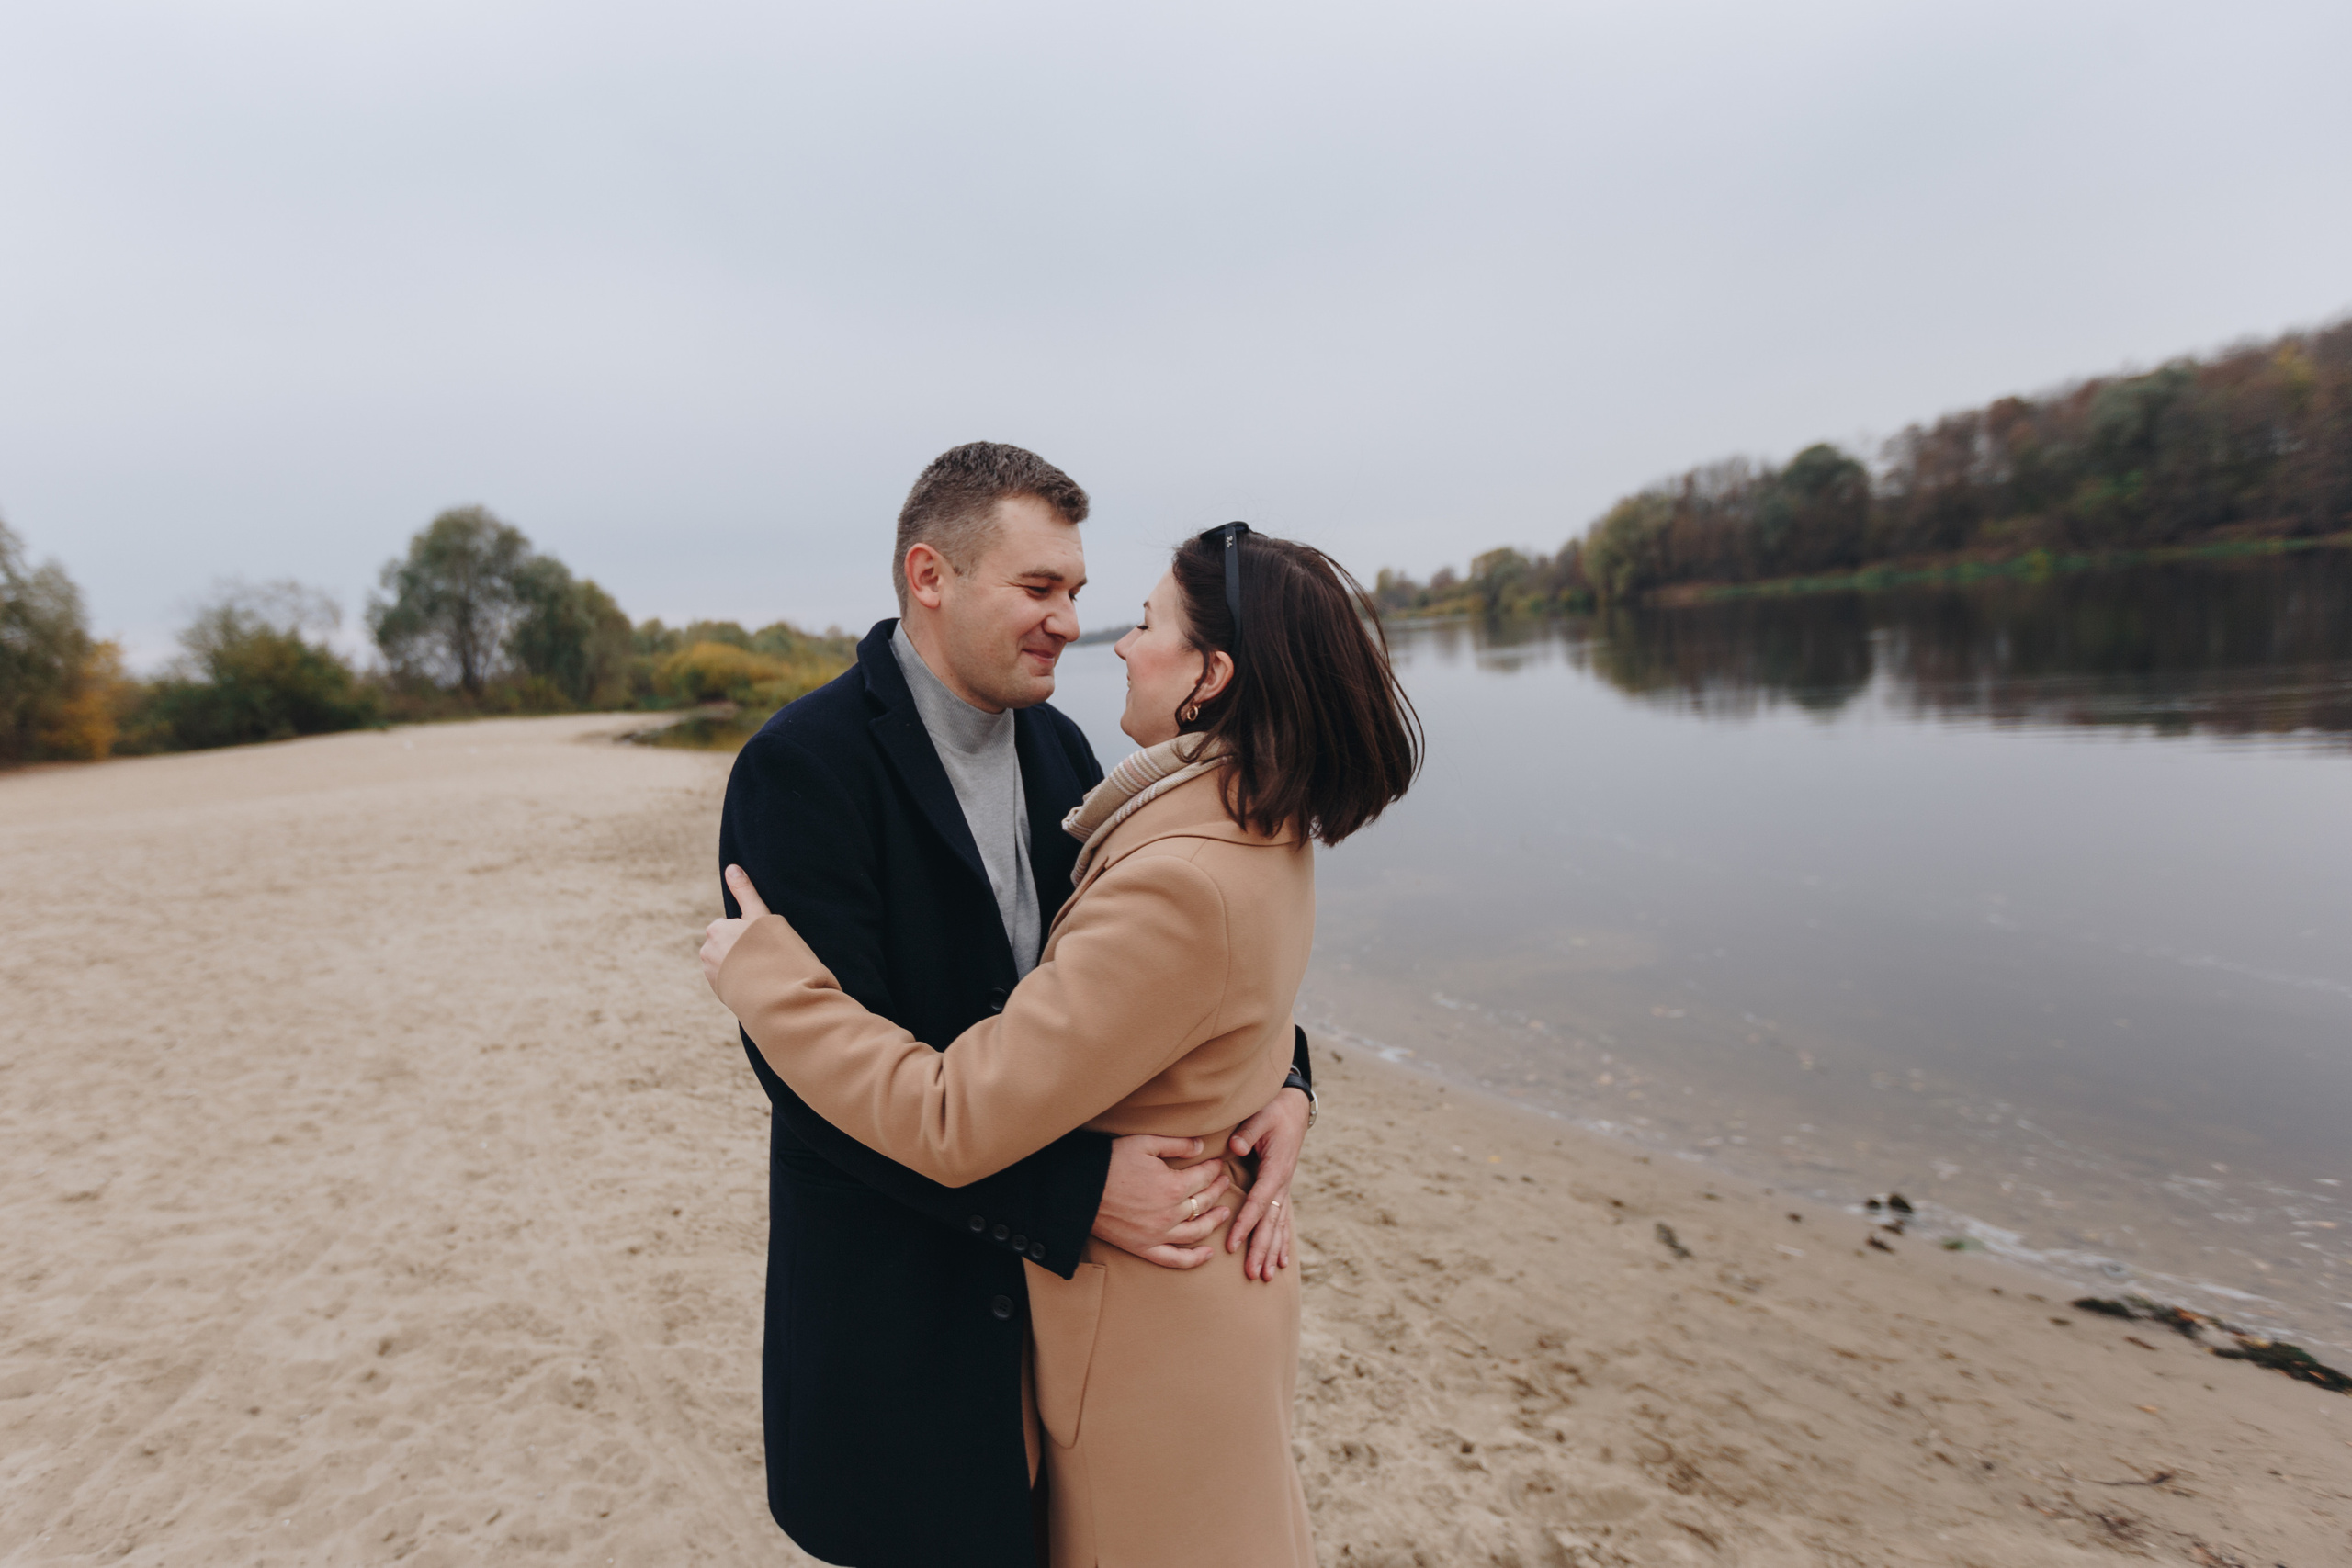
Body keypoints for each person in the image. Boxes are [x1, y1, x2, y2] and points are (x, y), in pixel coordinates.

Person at [704, 523, 1420, 1566]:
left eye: (1120, 610)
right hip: (918, 1314)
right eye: (1041, 586)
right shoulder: (803, 765)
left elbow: (1166, 990)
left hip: (1139, 1312)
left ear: (1214, 676)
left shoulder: (1086, 769)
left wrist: (1285, 1082)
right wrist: (1109, 1172)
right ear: (931, 576)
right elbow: (817, 1091)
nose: (1088, 630)